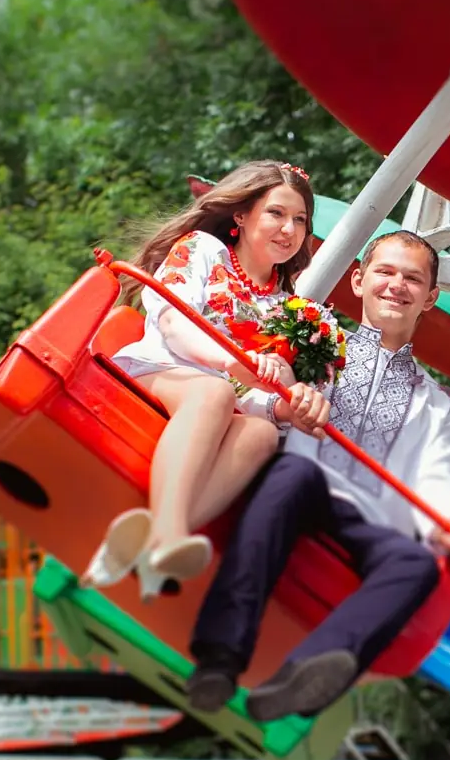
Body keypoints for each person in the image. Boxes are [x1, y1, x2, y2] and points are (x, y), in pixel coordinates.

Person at [184, 229, 450, 720]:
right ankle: (219, 658)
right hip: (296, 484)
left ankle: (305, 676)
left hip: (366, 518)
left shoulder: (437, 403)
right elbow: (248, 392)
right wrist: (284, 401)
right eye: (385, 272)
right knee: (296, 474)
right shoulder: (314, 344)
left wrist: (449, 527)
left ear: (429, 298)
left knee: (414, 562)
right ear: (359, 278)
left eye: (413, 279)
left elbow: (436, 481)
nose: (397, 286)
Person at [83, 160, 318, 599]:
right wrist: (232, 362)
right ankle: (169, 537)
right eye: (276, 213)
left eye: (300, 219)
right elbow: (173, 322)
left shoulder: (288, 311)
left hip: (220, 401)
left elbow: (252, 395)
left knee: (262, 436)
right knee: (212, 391)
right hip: (158, 369)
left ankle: (151, 546)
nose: (289, 228)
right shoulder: (202, 250)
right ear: (242, 215)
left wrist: (282, 400)